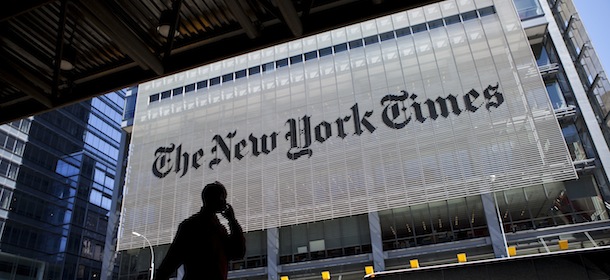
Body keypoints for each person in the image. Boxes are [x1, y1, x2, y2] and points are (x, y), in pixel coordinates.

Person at [155, 181, 246, 280]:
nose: (224, 202)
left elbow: (238, 252)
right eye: (222, 197)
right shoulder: (194, 226)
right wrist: (232, 221)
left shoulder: (202, 227)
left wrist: (232, 221)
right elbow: (172, 260)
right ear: (213, 199)